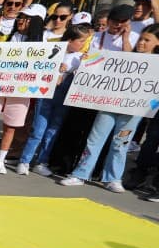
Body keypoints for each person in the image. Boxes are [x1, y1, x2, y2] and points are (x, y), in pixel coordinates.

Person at [59, 23, 159, 192]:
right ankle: (80, 174)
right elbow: (102, 70)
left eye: (147, 40)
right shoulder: (124, 58)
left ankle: (113, 178)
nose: (141, 42)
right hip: (109, 105)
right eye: (141, 38)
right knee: (94, 140)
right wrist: (88, 63)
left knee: (121, 143)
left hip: (132, 112)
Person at [16, 24, 92, 175]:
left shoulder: (79, 57)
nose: (83, 45)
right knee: (38, 130)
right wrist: (56, 67)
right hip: (46, 96)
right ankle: (24, 161)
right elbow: (39, 66)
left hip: (64, 97)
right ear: (70, 40)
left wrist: (85, 65)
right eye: (81, 41)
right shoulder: (54, 50)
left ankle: (41, 162)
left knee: (53, 131)